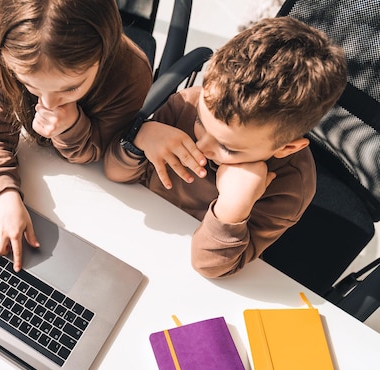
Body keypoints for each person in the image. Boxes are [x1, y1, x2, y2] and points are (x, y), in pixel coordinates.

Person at [104, 17, 347, 278]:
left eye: (228, 148)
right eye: (200, 121)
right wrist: (140, 139)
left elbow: (209, 267)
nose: (202, 145)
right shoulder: (188, 103)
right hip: (128, 233)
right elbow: (115, 173)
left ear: (287, 148)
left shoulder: (291, 186)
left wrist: (233, 209)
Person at [0, 0, 152, 271]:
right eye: (28, 83)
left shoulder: (131, 73)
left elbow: (95, 153)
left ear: (105, 55)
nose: (49, 103)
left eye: (70, 88)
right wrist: (6, 195)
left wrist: (72, 126)